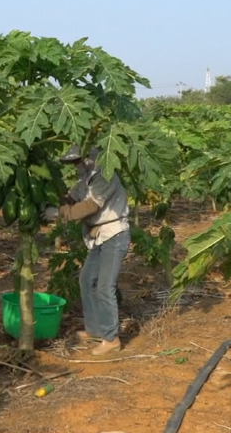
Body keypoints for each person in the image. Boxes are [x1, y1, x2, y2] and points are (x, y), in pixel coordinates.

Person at [57, 144, 130, 356]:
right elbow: (70, 198)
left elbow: (89, 207)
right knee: (86, 280)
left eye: (78, 160)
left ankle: (111, 338)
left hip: (114, 235)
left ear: (91, 157)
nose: (76, 165)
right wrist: (57, 193)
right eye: (73, 163)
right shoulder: (85, 181)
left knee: (104, 286)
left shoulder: (105, 176)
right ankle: (95, 329)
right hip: (98, 237)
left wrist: (60, 214)